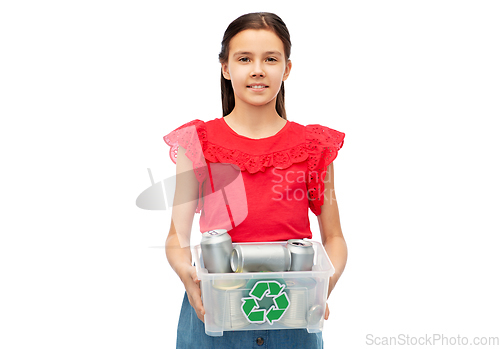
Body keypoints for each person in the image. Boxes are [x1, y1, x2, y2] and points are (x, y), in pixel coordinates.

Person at [163, 12, 347, 349]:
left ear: (287, 69)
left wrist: (323, 286)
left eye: (270, 59)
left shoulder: (314, 147)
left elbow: (333, 236)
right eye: (244, 58)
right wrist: (186, 274)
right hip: (214, 316)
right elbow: (177, 236)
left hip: (291, 314)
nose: (257, 69)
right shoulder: (198, 143)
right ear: (225, 67)